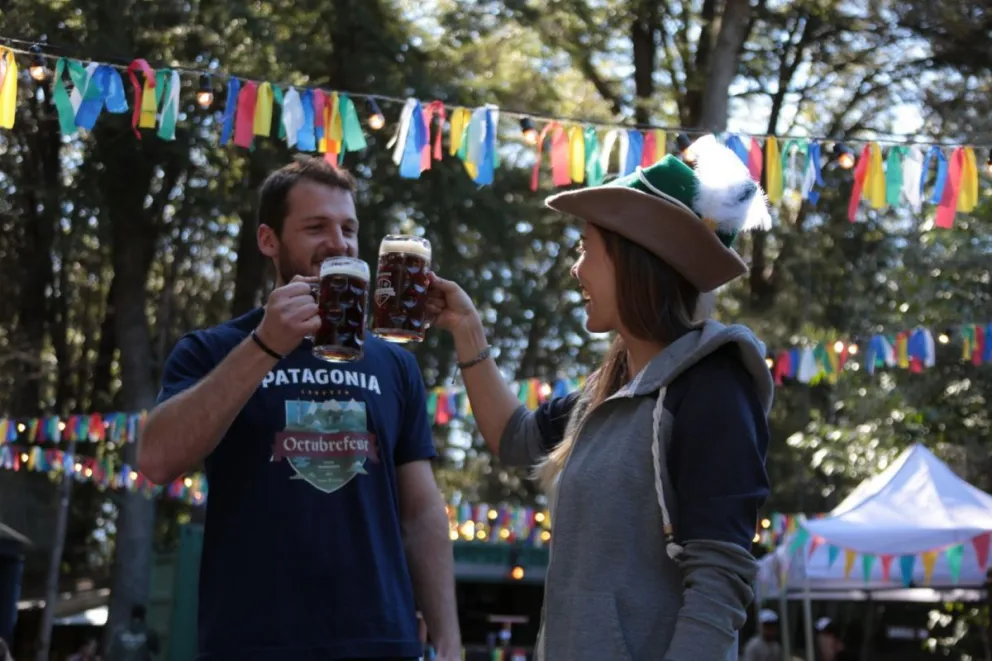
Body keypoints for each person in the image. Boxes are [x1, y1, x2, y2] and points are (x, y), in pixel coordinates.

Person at [426, 135, 774, 660]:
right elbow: (517, 439)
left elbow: (719, 585)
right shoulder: (607, 391)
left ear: (636, 256)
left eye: (587, 247)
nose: (576, 268)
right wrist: (466, 328)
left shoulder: (713, 387)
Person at [137, 157, 460, 661]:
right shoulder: (213, 350)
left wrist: (450, 641)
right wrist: (265, 344)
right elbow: (156, 461)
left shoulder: (395, 364)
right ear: (269, 240)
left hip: (380, 640)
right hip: (255, 642)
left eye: (348, 228)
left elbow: (420, 514)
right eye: (316, 227)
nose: (339, 243)